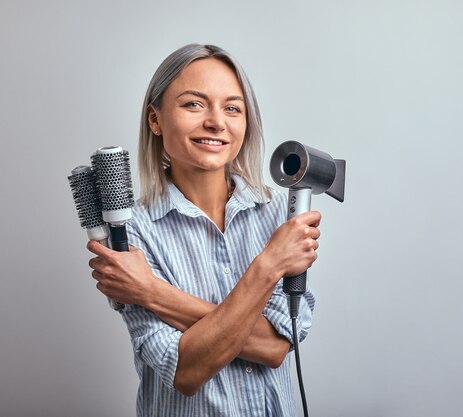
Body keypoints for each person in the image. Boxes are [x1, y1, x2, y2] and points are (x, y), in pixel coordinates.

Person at [87, 44, 320, 417]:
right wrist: (269, 265)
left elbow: (274, 347)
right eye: (194, 104)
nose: (216, 122)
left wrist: (151, 291)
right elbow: (186, 370)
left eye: (232, 108)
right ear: (155, 119)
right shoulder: (129, 236)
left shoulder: (281, 216)